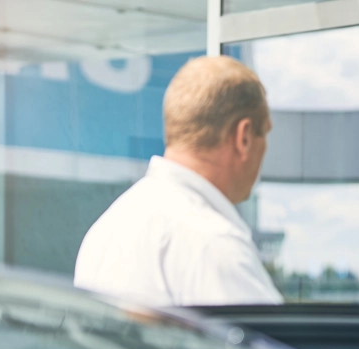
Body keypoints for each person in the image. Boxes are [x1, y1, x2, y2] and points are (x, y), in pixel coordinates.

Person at [74, 55, 282, 306]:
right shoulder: (212, 243)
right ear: (244, 137)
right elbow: (270, 344)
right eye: (266, 133)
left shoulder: (108, 228)